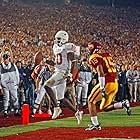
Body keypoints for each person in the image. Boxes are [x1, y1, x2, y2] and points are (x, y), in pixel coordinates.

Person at [85, 41, 131, 131]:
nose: (88, 49)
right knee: (104, 107)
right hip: (114, 83)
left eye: (90, 47)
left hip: (107, 82)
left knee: (90, 101)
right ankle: (123, 104)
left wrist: (102, 88)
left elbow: (101, 72)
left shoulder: (94, 57)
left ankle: (96, 125)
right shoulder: (107, 55)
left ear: (94, 49)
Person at [44, 31, 83, 123]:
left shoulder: (68, 47)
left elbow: (74, 62)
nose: (56, 40)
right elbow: (59, 63)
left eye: (58, 38)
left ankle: (56, 108)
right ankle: (77, 112)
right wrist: (50, 63)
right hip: (58, 71)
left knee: (47, 85)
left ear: (64, 39)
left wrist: (71, 75)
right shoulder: (58, 48)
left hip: (63, 73)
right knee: (61, 99)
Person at [0, 52, 20, 118]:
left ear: (9, 58)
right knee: (6, 98)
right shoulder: (0, 67)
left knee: (15, 97)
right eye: (4, 59)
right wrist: (0, 87)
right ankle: (5, 111)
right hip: (5, 85)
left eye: (6, 58)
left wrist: (17, 83)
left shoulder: (13, 65)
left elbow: (17, 75)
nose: (5, 60)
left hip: (13, 84)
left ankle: (16, 110)